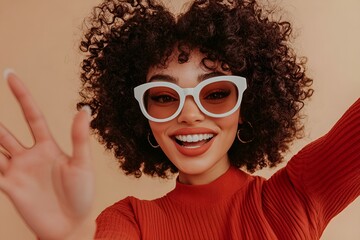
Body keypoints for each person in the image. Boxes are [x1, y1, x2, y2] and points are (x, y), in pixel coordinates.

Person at [0, 0, 359, 239]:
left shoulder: (296, 197)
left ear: (246, 104)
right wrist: (70, 233)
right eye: (163, 98)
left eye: (216, 93)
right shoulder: (130, 222)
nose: (189, 115)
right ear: (141, 117)